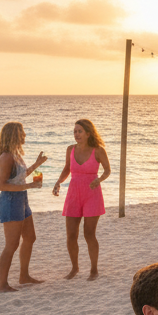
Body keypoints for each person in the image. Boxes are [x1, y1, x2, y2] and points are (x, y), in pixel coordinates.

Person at [52, 118, 111, 280]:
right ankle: (75, 268)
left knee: (89, 234)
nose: (76, 134)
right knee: (71, 235)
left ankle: (94, 270)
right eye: (75, 131)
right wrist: (58, 182)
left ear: (88, 133)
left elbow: (107, 170)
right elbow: (66, 169)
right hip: (73, 194)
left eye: (79, 131)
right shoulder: (70, 149)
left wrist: (99, 180)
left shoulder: (98, 150)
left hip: (92, 193)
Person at [0, 121, 47, 293]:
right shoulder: (6, 157)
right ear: (14, 135)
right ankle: (2, 285)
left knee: (30, 237)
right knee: (12, 244)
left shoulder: (15, 154)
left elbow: (19, 177)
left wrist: (37, 165)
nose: (24, 135)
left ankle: (24, 276)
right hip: (10, 201)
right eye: (22, 132)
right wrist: (29, 186)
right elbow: (1, 185)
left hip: (21, 200)